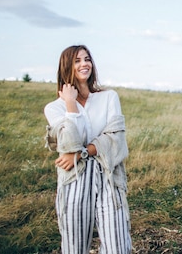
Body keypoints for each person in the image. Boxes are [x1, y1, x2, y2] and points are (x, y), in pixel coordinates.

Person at [44, 45, 131, 254]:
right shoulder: (54, 107)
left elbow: (116, 139)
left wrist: (82, 152)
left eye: (87, 59)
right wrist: (70, 103)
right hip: (74, 177)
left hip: (108, 174)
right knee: (74, 246)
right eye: (77, 61)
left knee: (117, 245)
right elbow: (68, 143)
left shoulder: (109, 97)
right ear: (66, 66)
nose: (84, 64)